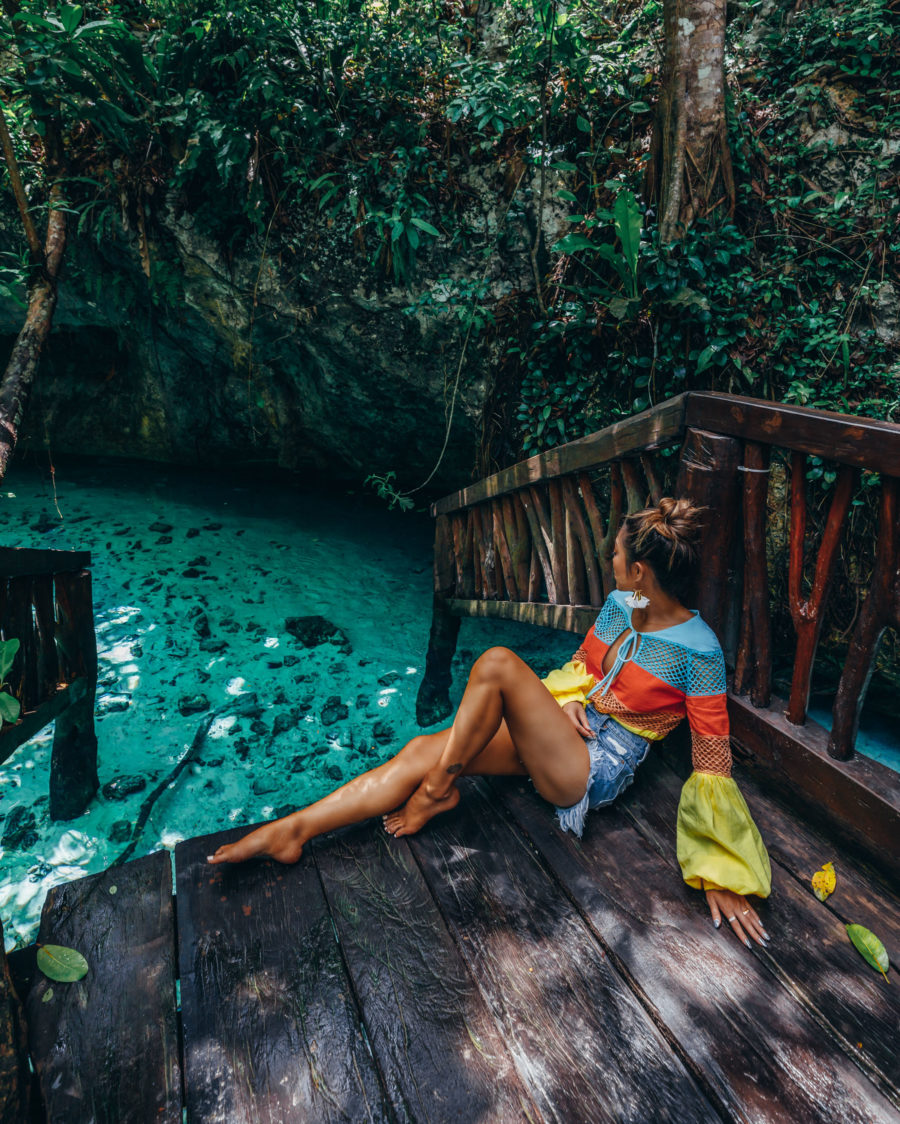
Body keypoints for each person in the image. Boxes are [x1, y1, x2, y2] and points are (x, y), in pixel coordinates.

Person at [209, 497, 771, 949]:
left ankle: (435, 793)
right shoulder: (623, 605)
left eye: (619, 556)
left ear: (641, 571)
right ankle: (292, 831)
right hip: (567, 728)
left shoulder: (700, 652)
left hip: (595, 767)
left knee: (498, 663)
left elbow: (712, 760)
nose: (612, 562)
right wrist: (572, 700)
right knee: (418, 751)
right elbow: (584, 667)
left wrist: (721, 871)